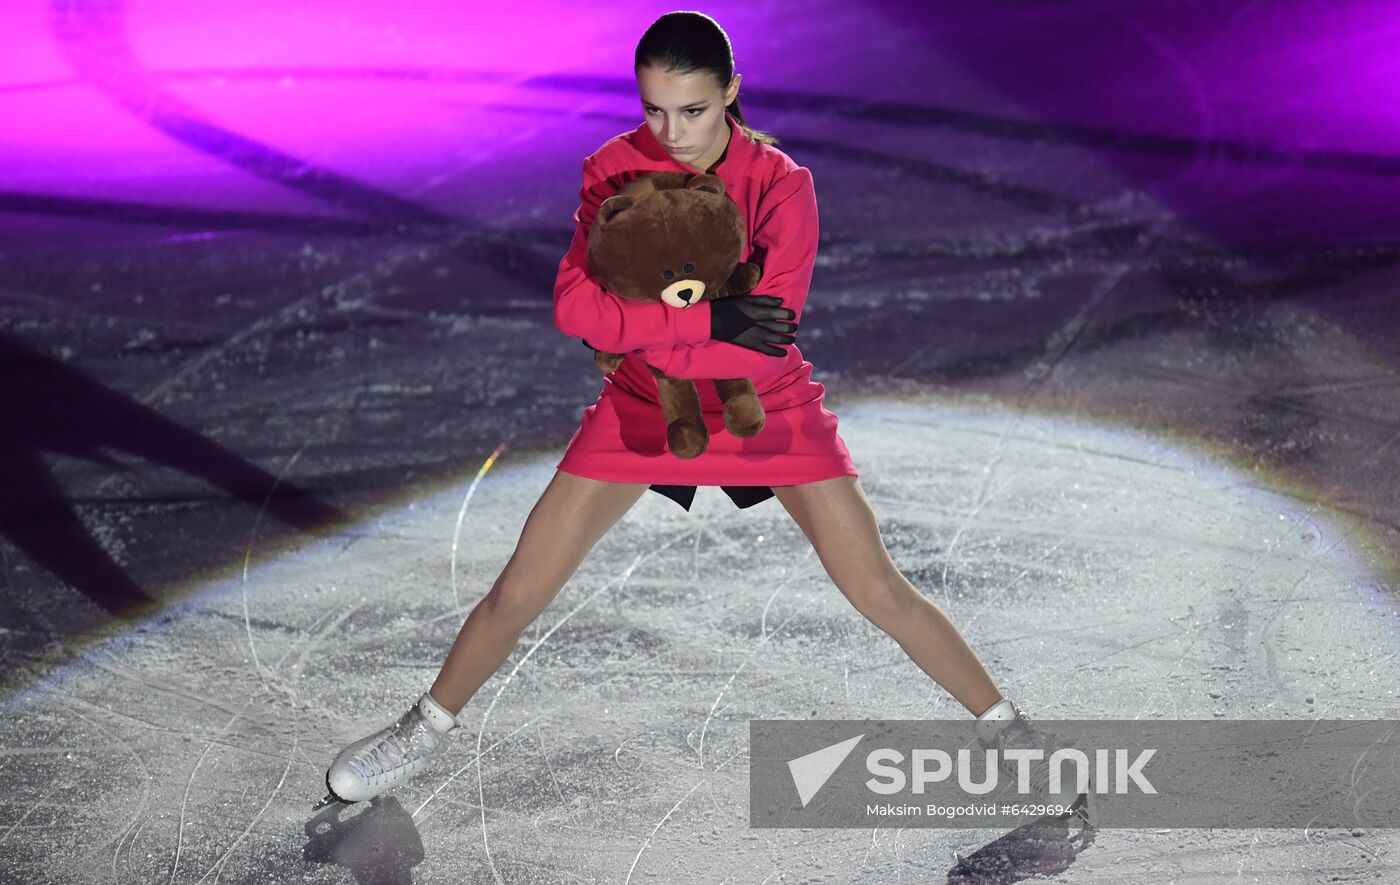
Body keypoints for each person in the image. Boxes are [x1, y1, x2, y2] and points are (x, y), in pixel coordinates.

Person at [320, 11, 1092, 823]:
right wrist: (707, 324)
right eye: (655, 109)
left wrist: (661, 332)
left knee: (877, 587)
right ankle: (420, 730)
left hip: (768, 408)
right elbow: (576, 308)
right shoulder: (613, 170)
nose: (672, 131)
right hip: (642, 406)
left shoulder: (782, 184)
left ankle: (1013, 740)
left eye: (692, 110)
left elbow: (760, 344)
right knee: (520, 588)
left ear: (730, 92)